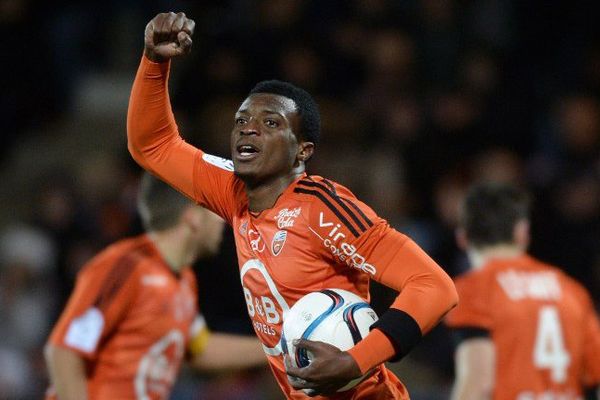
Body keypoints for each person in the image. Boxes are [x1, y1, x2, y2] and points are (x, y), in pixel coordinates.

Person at [127, 12, 458, 399]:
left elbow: (435, 286)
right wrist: (154, 61)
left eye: (271, 123)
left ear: (303, 150)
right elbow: (152, 145)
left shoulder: (322, 208)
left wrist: (355, 361)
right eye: (241, 120)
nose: (249, 128)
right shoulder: (232, 192)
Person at [44, 173, 266, 400]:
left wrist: (278, 350)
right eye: (216, 209)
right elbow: (65, 352)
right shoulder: (127, 267)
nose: (224, 219)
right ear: (193, 218)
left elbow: (201, 348)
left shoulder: (184, 280)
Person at [445, 183, 600, 400]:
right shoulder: (572, 291)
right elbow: (595, 378)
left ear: (462, 237)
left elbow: (478, 385)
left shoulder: (472, 290)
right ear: (522, 232)